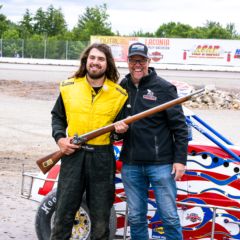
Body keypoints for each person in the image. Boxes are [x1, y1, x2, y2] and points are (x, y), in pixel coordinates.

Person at [50, 43, 128, 240]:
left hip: (101, 159)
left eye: (101, 59)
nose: (95, 62)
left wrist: (120, 132)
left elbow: (118, 135)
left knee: (101, 220)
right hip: (72, 155)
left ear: (107, 64)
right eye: (92, 58)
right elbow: (57, 117)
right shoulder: (68, 87)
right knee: (63, 215)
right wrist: (60, 140)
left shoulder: (119, 94)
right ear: (86, 60)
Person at [114, 42, 188, 240]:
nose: (137, 64)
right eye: (133, 60)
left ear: (148, 61)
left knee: (170, 217)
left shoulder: (164, 88)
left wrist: (180, 160)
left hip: (161, 164)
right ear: (127, 62)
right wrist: (118, 130)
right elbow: (115, 125)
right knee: (137, 217)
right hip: (131, 164)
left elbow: (180, 127)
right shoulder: (122, 87)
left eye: (141, 60)